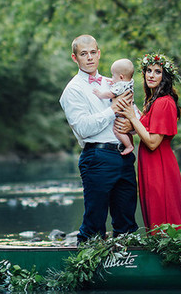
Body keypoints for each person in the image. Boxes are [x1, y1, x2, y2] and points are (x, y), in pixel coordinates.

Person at [59, 34, 138, 243]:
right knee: (95, 222)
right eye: (84, 54)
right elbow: (84, 128)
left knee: (127, 220)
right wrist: (112, 110)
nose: (90, 58)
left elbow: (135, 114)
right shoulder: (73, 90)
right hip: (97, 156)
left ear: (99, 53)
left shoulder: (113, 82)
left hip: (124, 155)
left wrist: (132, 123)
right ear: (75, 58)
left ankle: (126, 267)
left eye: (93, 52)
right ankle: (86, 268)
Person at [118, 52, 181, 239]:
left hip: (160, 165)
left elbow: (152, 142)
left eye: (157, 71)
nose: (151, 75)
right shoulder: (152, 102)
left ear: (165, 77)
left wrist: (133, 118)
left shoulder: (164, 103)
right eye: (148, 71)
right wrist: (132, 124)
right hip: (150, 165)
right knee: (154, 215)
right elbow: (144, 129)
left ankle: (176, 253)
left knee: (165, 215)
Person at [92, 58, 135, 155]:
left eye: (113, 76)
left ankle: (129, 146)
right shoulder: (130, 82)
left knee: (117, 130)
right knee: (126, 130)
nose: (112, 78)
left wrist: (100, 94)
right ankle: (130, 142)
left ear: (121, 77)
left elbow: (110, 94)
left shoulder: (119, 86)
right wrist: (114, 81)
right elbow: (119, 83)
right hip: (130, 110)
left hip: (122, 112)